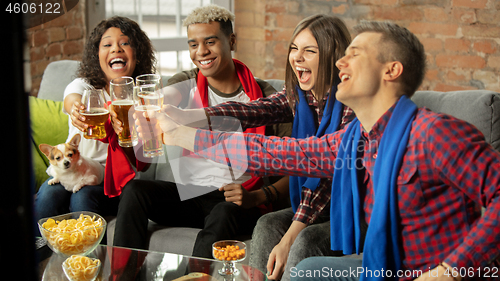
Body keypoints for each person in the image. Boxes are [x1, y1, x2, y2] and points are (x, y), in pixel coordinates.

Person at [154, 20, 500, 281]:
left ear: (391, 70)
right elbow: (275, 152)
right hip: (390, 269)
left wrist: (450, 270)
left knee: (306, 264)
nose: (339, 64)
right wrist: (181, 134)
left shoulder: (434, 133)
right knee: (307, 271)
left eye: (355, 55)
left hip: (440, 272)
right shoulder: (357, 140)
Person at [161, 14, 354, 280]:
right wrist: (191, 117)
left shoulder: (352, 108)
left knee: (304, 240)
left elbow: (320, 174)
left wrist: (289, 238)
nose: (297, 58)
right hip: (315, 207)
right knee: (266, 224)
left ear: (334, 57)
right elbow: (251, 110)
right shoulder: (301, 96)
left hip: (350, 209)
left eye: (310, 51)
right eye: (294, 48)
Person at [111, 4, 290, 259]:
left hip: (238, 200)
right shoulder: (188, 82)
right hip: (192, 196)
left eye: (210, 41)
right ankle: (122, 275)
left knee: (224, 211)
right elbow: (167, 97)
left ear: (232, 41)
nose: (201, 52)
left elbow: (297, 169)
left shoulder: (267, 99)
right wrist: (143, 109)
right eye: (193, 44)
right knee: (136, 191)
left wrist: (257, 196)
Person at [34, 16, 156, 231]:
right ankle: (39, 258)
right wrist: (76, 110)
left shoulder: (144, 98)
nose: (116, 49)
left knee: (83, 197)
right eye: (107, 44)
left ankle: (88, 261)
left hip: (114, 183)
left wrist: (122, 136)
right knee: (47, 195)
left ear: (137, 53)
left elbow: (141, 163)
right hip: (73, 169)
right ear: (97, 55)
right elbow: (72, 99)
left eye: (125, 43)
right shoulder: (85, 86)